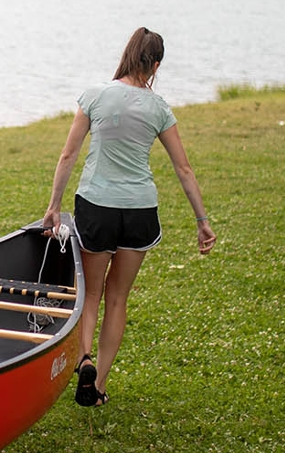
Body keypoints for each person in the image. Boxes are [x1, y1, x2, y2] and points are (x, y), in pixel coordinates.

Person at [41, 27, 217, 408]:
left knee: (91, 294)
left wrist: (54, 207)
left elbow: (67, 156)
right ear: (155, 64)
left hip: (96, 205)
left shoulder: (94, 95)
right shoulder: (159, 108)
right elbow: (183, 168)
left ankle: (83, 359)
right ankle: (99, 384)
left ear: (127, 54)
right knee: (118, 299)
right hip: (139, 210)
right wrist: (202, 220)